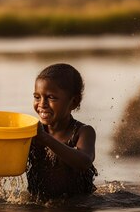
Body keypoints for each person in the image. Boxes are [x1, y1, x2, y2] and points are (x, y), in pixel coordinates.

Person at [26, 63, 98, 200]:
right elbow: (5, 155)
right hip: (39, 206)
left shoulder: (83, 132)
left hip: (78, 209)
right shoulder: (33, 134)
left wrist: (46, 139)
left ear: (74, 102)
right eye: (37, 97)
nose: (42, 104)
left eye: (51, 97)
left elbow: (84, 162)